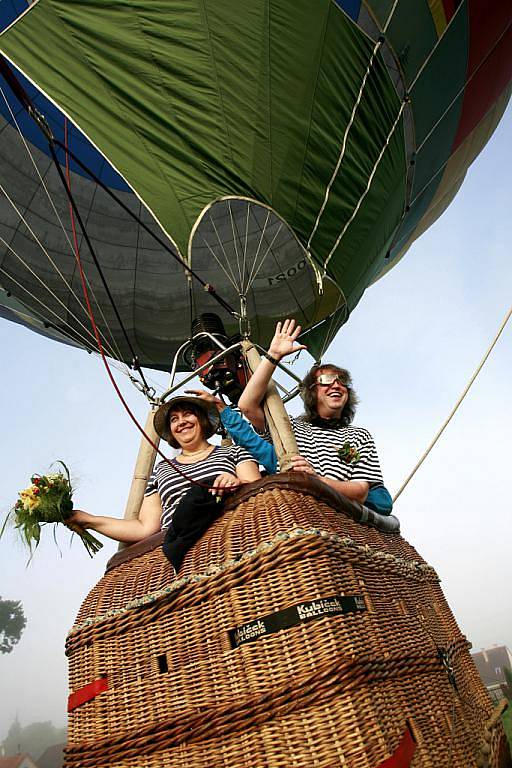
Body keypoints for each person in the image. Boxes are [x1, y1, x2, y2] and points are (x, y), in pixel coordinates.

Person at [237, 319, 389, 508]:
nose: (336, 385)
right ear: (312, 392)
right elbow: (247, 406)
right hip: (292, 509)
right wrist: (273, 356)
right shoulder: (289, 427)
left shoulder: (359, 436)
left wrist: (315, 480)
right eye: (326, 380)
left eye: (342, 382)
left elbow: (360, 491)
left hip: (338, 513)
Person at [68, 396, 261, 544]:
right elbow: (144, 528)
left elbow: (258, 490)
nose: (181, 422)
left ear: (201, 419)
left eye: (187, 414)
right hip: (182, 548)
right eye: (174, 419)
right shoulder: (162, 470)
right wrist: (89, 520)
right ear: (171, 430)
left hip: (232, 533)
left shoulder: (234, 452)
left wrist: (236, 482)